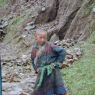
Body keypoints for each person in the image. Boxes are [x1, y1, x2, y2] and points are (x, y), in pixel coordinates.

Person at [31, 29, 67, 95]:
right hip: (42, 71)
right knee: (40, 87)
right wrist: (36, 69)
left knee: (56, 86)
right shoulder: (34, 48)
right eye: (40, 38)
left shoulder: (51, 46)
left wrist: (57, 63)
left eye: (44, 38)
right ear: (36, 38)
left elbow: (62, 51)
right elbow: (33, 60)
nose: (42, 40)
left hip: (52, 71)